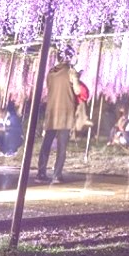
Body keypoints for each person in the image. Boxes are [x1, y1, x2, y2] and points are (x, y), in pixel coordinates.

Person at [38, 46, 80, 185]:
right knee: (62, 146)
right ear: (69, 57)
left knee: (46, 144)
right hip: (65, 113)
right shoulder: (71, 71)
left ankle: (41, 173)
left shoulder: (50, 72)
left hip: (51, 112)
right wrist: (77, 77)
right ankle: (57, 175)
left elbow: (50, 88)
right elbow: (78, 91)